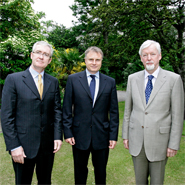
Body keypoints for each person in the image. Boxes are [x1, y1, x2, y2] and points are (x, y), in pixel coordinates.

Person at [122, 40, 184, 185]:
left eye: (152, 54)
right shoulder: (132, 79)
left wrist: (173, 143)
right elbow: (128, 110)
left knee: (157, 182)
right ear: (141, 58)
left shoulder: (173, 80)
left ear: (159, 56)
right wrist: (126, 135)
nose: (149, 58)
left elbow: (177, 115)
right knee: (140, 181)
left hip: (160, 142)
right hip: (137, 140)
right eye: (145, 55)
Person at [1, 41, 63, 185]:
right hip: (22, 146)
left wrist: (57, 136)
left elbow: (56, 111)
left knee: (45, 181)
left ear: (50, 60)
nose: (41, 56)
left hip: (47, 146)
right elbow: (6, 116)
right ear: (31, 55)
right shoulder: (14, 80)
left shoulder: (53, 82)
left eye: (46, 54)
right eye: (38, 52)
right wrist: (13, 146)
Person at [62, 46, 119, 185]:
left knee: (101, 171)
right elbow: (67, 108)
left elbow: (114, 111)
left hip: (102, 135)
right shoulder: (73, 79)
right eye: (91, 59)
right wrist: (68, 132)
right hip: (79, 135)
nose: (94, 62)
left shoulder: (110, 82)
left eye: (97, 60)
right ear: (85, 60)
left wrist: (113, 135)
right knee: (80, 171)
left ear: (101, 61)